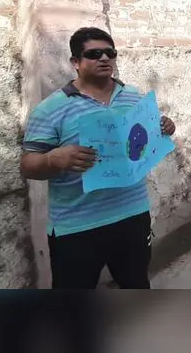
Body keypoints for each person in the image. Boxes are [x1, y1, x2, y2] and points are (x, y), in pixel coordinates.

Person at [20, 27, 176, 289]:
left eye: (109, 53)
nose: (104, 58)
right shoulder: (50, 110)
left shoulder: (132, 97)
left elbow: (145, 139)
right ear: (75, 63)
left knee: (136, 285)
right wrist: (53, 160)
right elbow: (27, 165)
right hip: (76, 227)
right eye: (93, 54)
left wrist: (164, 128)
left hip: (132, 217)